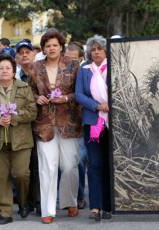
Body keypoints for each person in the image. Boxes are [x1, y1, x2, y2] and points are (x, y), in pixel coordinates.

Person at [27, 28, 81, 224]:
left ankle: (69, 201)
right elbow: (27, 93)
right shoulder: (34, 67)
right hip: (44, 125)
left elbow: (80, 93)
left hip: (69, 123)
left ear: (61, 47)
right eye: (48, 45)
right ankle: (47, 210)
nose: (51, 48)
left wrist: (66, 97)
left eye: (55, 45)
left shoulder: (74, 65)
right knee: (47, 168)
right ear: (43, 48)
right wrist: (36, 98)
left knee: (69, 166)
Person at [0, 54, 37, 225]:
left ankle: (24, 201)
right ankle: (5, 211)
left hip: (21, 139)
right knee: (0, 175)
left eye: (8, 68)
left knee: (21, 173)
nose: (4, 71)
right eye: (1, 68)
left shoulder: (24, 87)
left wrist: (14, 117)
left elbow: (32, 111)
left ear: (13, 71)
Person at [75, 34, 112, 221]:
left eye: (100, 48)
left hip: (113, 123)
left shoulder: (114, 68)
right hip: (93, 121)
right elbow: (79, 95)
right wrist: (97, 106)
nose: (96, 52)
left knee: (110, 164)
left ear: (106, 50)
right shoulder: (85, 69)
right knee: (95, 163)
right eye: (93, 49)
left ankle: (109, 205)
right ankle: (96, 206)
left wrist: (110, 104)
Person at [14, 38, 42, 216]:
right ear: (16, 57)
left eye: (27, 52)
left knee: (38, 165)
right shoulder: (12, 75)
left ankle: (39, 201)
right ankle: (24, 202)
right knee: (23, 168)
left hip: (40, 124)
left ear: (34, 54)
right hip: (19, 126)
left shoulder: (41, 72)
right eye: (21, 53)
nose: (24, 55)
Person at [65, 41, 88, 209]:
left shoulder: (86, 74)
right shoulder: (61, 74)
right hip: (65, 124)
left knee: (80, 161)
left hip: (82, 124)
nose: (70, 62)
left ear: (81, 59)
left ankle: (79, 196)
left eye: (74, 59)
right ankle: (68, 197)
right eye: (67, 58)